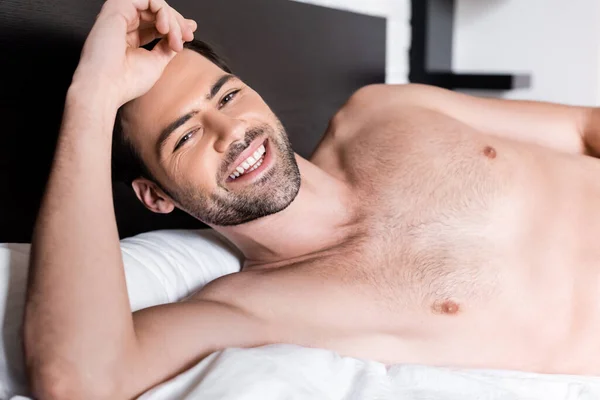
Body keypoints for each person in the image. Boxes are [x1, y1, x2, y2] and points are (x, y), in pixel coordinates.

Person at [23, 0, 600, 398]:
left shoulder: (382, 112)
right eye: (187, 136)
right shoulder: (256, 309)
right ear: (155, 197)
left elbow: (583, 128)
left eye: (227, 97)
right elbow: (82, 380)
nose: (232, 133)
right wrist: (91, 100)